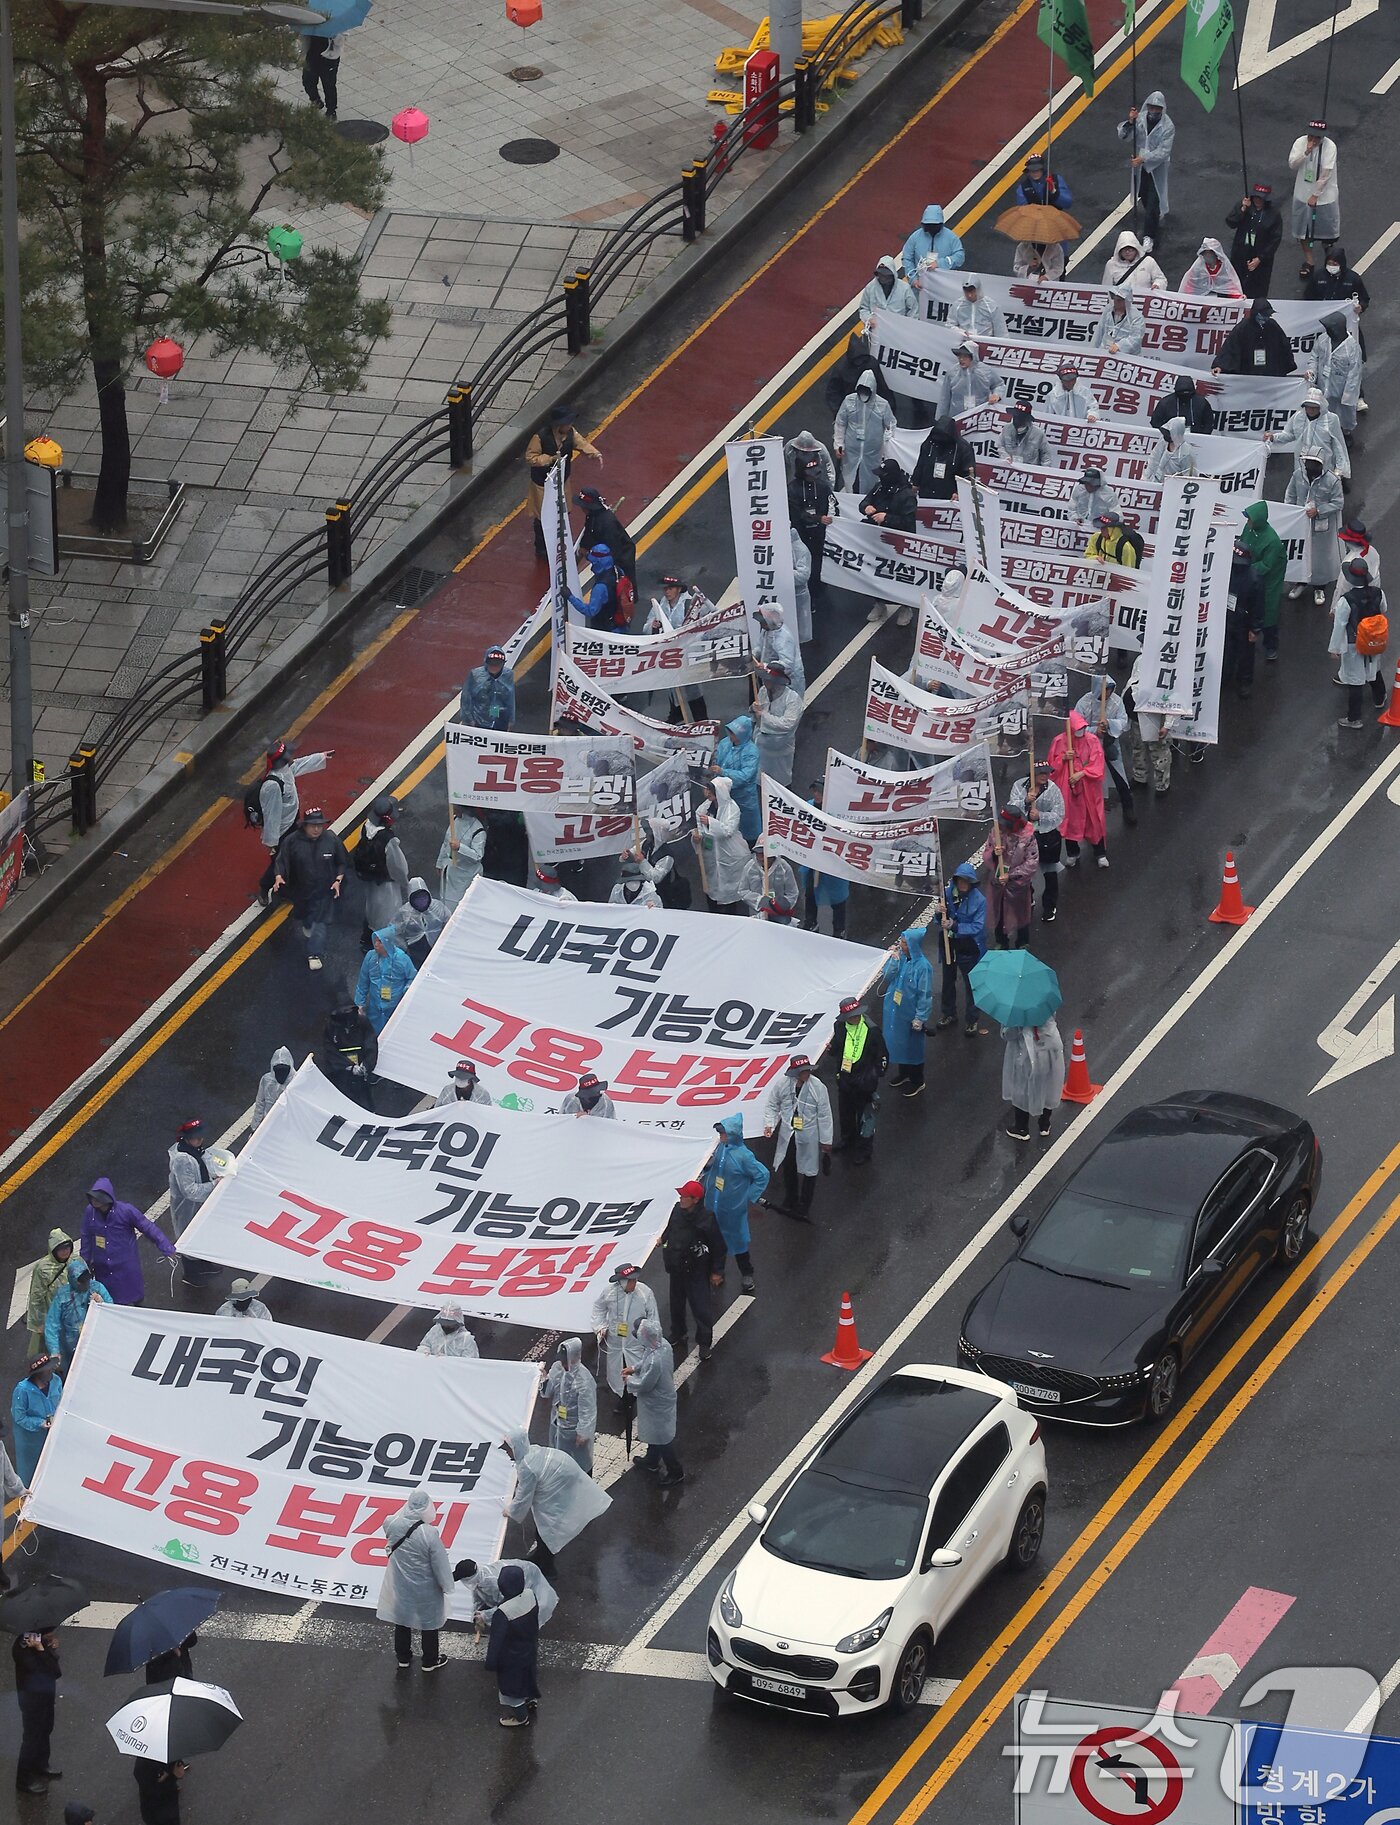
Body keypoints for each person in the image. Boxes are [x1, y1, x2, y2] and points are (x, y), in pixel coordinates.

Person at [501, 1427, 612, 1575]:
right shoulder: (532, 1451)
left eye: (508, 1449)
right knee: (543, 1530)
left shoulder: (527, 1467)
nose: (506, 1452)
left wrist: (511, 1511)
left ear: (516, 1448)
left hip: (558, 1488)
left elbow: (523, 1496)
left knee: (547, 1530)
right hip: (565, 1479)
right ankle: (540, 1558)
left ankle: (548, 1569)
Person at [377, 1488, 454, 1671]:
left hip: (400, 1581)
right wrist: (446, 1584)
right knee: (429, 1623)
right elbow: (440, 1563)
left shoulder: (391, 1522)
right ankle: (429, 1661)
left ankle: (403, 1657)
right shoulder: (429, 1533)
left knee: (402, 1620)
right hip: (425, 1586)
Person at [255, 738, 332, 906]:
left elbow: (298, 765)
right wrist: (272, 843)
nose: (292, 756)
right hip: (282, 830)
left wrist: (320, 757)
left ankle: (283, 889)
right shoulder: (272, 786)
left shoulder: (285, 770)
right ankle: (265, 885)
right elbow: (272, 816)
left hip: (292, 822)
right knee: (280, 861)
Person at [272, 804, 347, 971]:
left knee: (320, 923)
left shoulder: (331, 839)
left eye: (320, 825)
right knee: (305, 917)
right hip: (301, 891)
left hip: (323, 893)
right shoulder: (291, 841)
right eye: (313, 825)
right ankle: (307, 923)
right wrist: (279, 877)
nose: (316, 829)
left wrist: (338, 880)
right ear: (304, 825)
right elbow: (281, 861)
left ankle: (314, 953)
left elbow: (342, 862)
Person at [79, 1177, 175, 1307]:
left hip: (126, 1267)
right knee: (108, 1301)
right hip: (103, 1268)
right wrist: (84, 1264)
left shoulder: (126, 1211)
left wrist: (166, 1247)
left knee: (135, 1298)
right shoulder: (90, 1212)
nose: (94, 1200)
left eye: (98, 1197)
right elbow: (86, 1237)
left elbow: (147, 1227)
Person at [702, 1115, 768, 1293]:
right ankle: (717, 1271)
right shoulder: (720, 1149)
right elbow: (712, 1167)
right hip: (713, 1206)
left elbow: (762, 1175)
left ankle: (747, 1273)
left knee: (738, 1242)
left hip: (733, 1210)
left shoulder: (744, 1156)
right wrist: (707, 1165)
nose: (720, 1135)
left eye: (723, 1132)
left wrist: (750, 1196)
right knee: (714, 1241)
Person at [525, 402, 601, 558]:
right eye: (567, 423)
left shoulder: (571, 433)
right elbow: (531, 458)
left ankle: (557, 540)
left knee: (563, 510)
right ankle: (541, 547)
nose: (570, 425)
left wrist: (594, 453)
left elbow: (581, 443)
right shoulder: (540, 437)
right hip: (543, 483)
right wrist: (549, 459)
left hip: (562, 479)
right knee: (542, 515)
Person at [762, 1055, 833, 1219]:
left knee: (810, 1170)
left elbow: (824, 1115)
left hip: (809, 1134)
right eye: (802, 1071)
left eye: (807, 1070)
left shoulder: (818, 1087)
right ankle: (791, 1197)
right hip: (789, 1132)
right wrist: (769, 1124)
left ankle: (805, 1204)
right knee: (789, 1166)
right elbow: (772, 1104)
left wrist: (826, 1141)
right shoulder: (783, 1084)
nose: (806, 1074)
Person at [661, 1180, 722, 1360]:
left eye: (684, 1196)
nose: (680, 1198)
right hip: (676, 1268)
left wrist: (717, 1271)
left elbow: (718, 1245)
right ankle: (678, 1332)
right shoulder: (676, 1211)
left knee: (701, 1308)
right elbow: (669, 1229)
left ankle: (704, 1343)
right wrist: (662, 1239)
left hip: (696, 1271)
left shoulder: (707, 1218)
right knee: (676, 1304)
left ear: (695, 1200)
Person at [1332, 557, 1389, 728]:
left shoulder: (1346, 600)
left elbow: (1339, 625)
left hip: (1354, 643)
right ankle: (1380, 699)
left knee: (1355, 680)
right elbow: (1383, 609)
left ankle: (1354, 718)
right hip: (1374, 639)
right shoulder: (1378, 593)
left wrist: (1334, 648)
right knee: (1373, 669)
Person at [624, 1319, 682, 1486]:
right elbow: (646, 1359)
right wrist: (635, 1368)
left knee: (663, 1438)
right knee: (655, 1433)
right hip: (659, 1401)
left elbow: (645, 1383)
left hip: (657, 1403)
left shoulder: (655, 1360)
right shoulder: (662, 1345)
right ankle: (651, 1460)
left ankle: (675, 1472)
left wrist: (628, 1380)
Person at [829, 995, 887, 1162]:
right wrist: (832, 1051)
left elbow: (882, 1055)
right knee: (846, 1113)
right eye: (851, 1016)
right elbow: (837, 1047)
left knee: (866, 1117)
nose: (855, 1018)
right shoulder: (840, 1027)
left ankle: (864, 1150)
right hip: (845, 1078)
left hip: (864, 1081)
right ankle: (848, 1139)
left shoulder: (872, 1030)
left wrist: (875, 1076)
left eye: (857, 1014)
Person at [591, 1264, 659, 1400]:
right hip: (615, 1344)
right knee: (617, 1371)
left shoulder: (645, 1293)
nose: (633, 1283)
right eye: (630, 1280)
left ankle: (637, 1396)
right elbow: (598, 1308)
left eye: (634, 1280)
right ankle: (622, 1396)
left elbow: (653, 1317)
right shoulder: (609, 1292)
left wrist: (652, 1338)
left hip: (636, 1343)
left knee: (638, 1370)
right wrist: (600, 1327)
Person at [1074, 675, 1136, 825]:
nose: (1107, 693)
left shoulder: (1116, 702)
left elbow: (1123, 721)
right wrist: (1094, 730)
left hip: (1109, 743)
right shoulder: (1085, 702)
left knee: (1119, 777)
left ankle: (1128, 808)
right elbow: (1076, 726)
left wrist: (1109, 723)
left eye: (1109, 689)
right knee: (1088, 781)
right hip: (1089, 748)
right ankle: (1089, 814)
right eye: (1104, 689)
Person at [1049, 708, 1108, 868]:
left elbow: (1098, 763)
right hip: (1068, 790)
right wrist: (1063, 758)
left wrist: (1081, 774)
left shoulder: (1092, 740)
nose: (1081, 731)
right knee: (1070, 822)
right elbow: (1051, 769)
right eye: (1078, 728)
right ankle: (1072, 853)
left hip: (1089, 789)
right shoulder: (1060, 742)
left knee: (1094, 819)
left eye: (1083, 727)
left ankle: (1100, 853)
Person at [1284, 452, 1344, 608]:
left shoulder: (1332, 481)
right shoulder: (1298, 475)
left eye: (1313, 463)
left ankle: (1319, 588)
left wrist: (1319, 510)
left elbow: (1338, 503)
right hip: (1300, 524)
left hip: (1320, 527)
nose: (1309, 466)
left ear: (1321, 465)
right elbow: (1290, 494)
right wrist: (1290, 512)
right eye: (1307, 463)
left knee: (1319, 558)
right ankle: (1300, 582)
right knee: (1300, 554)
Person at [1008, 765, 1066, 923]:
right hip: (1024, 838)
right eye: (1041, 772)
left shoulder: (1053, 789)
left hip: (1047, 837)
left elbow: (1059, 814)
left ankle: (1049, 906)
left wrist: (1041, 815)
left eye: (1047, 772)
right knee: (1024, 873)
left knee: (1050, 872)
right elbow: (1010, 809)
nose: (1045, 775)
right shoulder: (1019, 786)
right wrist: (1026, 801)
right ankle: (1028, 898)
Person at [485, 1564, 541, 1726]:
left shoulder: (503, 1613)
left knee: (511, 1689)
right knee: (528, 1676)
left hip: (510, 1656)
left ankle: (521, 1717)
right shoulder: (531, 1595)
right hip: (529, 1648)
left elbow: (496, 1641)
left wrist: (491, 1663)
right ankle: (531, 1698)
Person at [878, 925, 933, 1089]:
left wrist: (920, 1017)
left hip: (910, 1014)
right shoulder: (900, 959)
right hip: (895, 1011)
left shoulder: (923, 967)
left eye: (904, 943)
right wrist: (892, 960)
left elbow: (925, 994)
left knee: (913, 1046)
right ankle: (904, 1073)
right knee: (899, 1043)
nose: (901, 946)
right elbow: (887, 976)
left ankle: (917, 1080)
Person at [1117, 91, 1174, 246]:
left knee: (1153, 201)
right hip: (1140, 168)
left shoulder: (1168, 126)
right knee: (1143, 193)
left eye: (1157, 108)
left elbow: (1163, 151)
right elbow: (1124, 136)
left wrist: (1144, 158)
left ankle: (1149, 235)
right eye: (1152, 107)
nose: (1154, 111)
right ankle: (1154, 215)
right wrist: (1130, 122)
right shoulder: (1140, 119)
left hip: (1157, 168)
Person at [936, 868, 988, 1036]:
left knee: (971, 984)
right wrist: (938, 914)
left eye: (967, 881)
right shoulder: (946, 894)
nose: (963, 884)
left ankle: (972, 1020)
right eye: (960, 880)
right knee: (948, 980)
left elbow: (977, 926)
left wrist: (956, 926)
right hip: (948, 943)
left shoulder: (980, 901)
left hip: (968, 946)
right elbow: (940, 920)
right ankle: (948, 1013)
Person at [354, 794, 409, 948]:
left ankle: (367, 936)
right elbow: (398, 866)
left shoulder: (366, 827)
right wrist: (404, 882)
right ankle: (384, 942)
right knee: (389, 912)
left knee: (371, 906)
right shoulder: (388, 840)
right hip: (386, 882)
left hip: (370, 877)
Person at [982, 805, 1039, 949]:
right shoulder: (996, 832)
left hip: (1018, 885)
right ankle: (1001, 941)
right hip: (998, 883)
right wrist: (994, 854)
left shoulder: (1027, 837)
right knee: (998, 913)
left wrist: (1011, 875)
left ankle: (1022, 941)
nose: (1002, 827)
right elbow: (987, 851)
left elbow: (1032, 863)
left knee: (1021, 913)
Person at [1289, 119, 1339, 280]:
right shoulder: (1300, 142)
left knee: (1327, 234)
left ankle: (1330, 260)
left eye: (1318, 138)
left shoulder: (1329, 147)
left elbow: (1326, 173)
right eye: (1312, 136)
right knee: (1304, 232)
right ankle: (1309, 261)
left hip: (1324, 197)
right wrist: (1306, 152)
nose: (1314, 140)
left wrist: (1315, 195)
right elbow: (1292, 164)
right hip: (1302, 194)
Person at [692, 777, 750, 914]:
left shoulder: (732, 808)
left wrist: (710, 822)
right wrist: (697, 837)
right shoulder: (704, 807)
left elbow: (728, 831)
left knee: (731, 886)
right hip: (711, 852)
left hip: (730, 853)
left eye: (711, 790)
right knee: (712, 884)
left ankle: (732, 913)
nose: (707, 792)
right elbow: (700, 826)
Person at [13, 1627, 61, 1794]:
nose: (50, 1634)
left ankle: (41, 1764)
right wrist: (43, 1650)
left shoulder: (40, 1642)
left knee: (46, 1729)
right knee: (31, 1739)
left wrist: (50, 1649)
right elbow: (53, 1671)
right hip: (32, 1702)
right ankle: (23, 1780)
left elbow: (52, 1665)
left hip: (45, 1697)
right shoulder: (23, 1648)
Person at [1240, 500, 1288, 662]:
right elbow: (1242, 545)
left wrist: (1245, 570)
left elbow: (1266, 565)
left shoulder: (1272, 541)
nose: (1247, 522)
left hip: (1269, 580)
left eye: (1250, 519)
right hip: (1252, 574)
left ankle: (1271, 645)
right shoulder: (1249, 528)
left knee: (1268, 612)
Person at [833, 368, 895, 496]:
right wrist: (839, 444)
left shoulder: (882, 405)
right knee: (851, 479)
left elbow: (891, 425)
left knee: (871, 481)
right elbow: (840, 423)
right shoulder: (849, 401)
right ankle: (850, 500)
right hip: (851, 452)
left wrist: (886, 447)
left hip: (873, 454)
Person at [800, 781, 850, 936]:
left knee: (837, 896)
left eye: (819, 791)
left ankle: (839, 928)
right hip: (813, 859)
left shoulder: (837, 812)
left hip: (832, 861)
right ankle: (811, 921)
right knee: (810, 892)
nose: (816, 795)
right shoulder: (808, 807)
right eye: (814, 791)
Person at [1003, 1018, 1066, 1141]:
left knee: (1022, 1088)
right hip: (1050, 1048)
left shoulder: (1015, 1012)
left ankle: (1021, 1128)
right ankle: (1044, 1124)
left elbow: (1008, 1034)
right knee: (1048, 1085)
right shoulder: (1045, 1003)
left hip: (1026, 1054)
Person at [1266, 387, 1349, 480]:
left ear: (1321, 406)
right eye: (1308, 406)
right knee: (1303, 487)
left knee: (1325, 489)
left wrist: (1340, 469)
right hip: (1302, 463)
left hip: (1323, 463)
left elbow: (1338, 444)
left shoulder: (1332, 419)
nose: (1311, 410)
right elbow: (1290, 434)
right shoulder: (1298, 417)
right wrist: (1274, 437)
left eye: (1314, 407)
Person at [44, 1256, 111, 1373]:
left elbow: (113, 1310)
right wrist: (54, 1351)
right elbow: (52, 1324)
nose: (86, 1283)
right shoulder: (62, 1296)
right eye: (81, 1281)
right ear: (73, 1280)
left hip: (96, 1339)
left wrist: (103, 1303)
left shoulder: (97, 1288)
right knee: (72, 1372)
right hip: (70, 1345)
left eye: (87, 1279)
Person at [539, 1337, 595, 1472]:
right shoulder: (558, 1369)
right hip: (557, 1424)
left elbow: (588, 1410)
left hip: (573, 1430)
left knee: (581, 1462)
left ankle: (585, 1485)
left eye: (565, 1359)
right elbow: (547, 1393)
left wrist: (583, 1433)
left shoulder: (583, 1380)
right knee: (559, 1459)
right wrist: (544, 1379)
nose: (562, 1362)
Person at [456, 1557, 558, 1631]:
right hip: (520, 1572)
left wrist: (484, 1616)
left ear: (469, 1578)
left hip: (528, 1576)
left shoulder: (493, 1583)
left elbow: (508, 1604)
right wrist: (476, 1612)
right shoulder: (479, 1579)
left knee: (526, 1608)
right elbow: (477, 1595)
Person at [1124, 653, 1173, 797]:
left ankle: (1162, 784)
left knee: (1159, 753)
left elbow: (1172, 698)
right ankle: (1140, 777)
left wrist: (1167, 724)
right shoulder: (1140, 659)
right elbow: (1132, 681)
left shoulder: (1168, 667)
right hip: (1136, 714)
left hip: (1155, 717)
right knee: (1137, 748)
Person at [788, 446, 834, 597]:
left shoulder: (822, 487)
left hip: (819, 535)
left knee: (819, 566)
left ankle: (818, 592)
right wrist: (818, 518)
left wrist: (829, 517)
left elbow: (832, 505)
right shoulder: (792, 490)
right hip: (801, 535)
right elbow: (796, 514)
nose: (813, 476)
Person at [1222, 540, 1265, 702]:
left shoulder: (1255, 578)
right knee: (1227, 651)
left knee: (1245, 655)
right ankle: (1225, 677)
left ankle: (1244, 682)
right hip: (1227, 619)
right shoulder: (1225, 571)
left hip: (1244, 622)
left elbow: (1259, 605)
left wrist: (1255, 629)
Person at [1212, 297, 1296, 377]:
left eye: (1268, 315)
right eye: (1263, 315)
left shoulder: (1273, 326)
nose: (1265, 318)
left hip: (1269, 371)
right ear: (1255, 313)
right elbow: (1230, 347)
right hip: (1247, 371)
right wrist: (1220, 366)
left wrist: (1286, 364)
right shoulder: (1242, 328)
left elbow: (1284, 346)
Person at [355, 925, 417, 1034]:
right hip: (374, 1008)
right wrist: (360, 1004)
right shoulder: (370, 957)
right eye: (375, 941)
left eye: (380, 942)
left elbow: (412, 978)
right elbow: (363, 981)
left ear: (387, 943)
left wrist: (406, 992)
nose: (376, 944)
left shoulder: (402, 959)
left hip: (394, 1008)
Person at [10, 1356, 60, 1487]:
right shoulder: (22, 1390)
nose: (51, 1371)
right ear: (38, 1374)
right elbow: (19, 1417)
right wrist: (40, 1423)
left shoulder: (56, 1381)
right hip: (30, 1438)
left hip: (52, 1430)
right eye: (47, 1370)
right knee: (30, 1467)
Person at [1226, 184, 1284, 297]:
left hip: (1260, 259)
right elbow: (1231, 222)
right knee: (1236, 285)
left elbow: (1275, 239)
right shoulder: (1244, 206)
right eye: (1256, 197)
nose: (1258, 200)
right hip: (1240, 254)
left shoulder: (1274, 214)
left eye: (1261, 198)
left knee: (1258, 288)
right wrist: (1242, 209)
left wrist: (1260, 258)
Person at [753, 664, 804, 789]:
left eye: (768, 679)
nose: (764, 682)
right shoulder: (763, 691)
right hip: (762, 748)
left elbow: (787, 724)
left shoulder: (792, 699)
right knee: (762, 783)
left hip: (781, 751)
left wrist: (763, 715)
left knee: (781, 786)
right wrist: (754, 710)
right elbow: (757, 716)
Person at [713, 714, 761, 843]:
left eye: (733, 733)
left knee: (747, 831)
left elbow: (745, 776)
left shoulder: (751, 752)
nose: (730, 736)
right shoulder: (725, 743)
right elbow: (717, 758)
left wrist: (722, 771)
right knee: (726, 827)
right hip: (725, 794)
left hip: (744, 798)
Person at [320, 1003, 378, 1111]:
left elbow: (371, 1045)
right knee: (343, 1101)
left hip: (361, 1070)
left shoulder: (362, 1022)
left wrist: (366, 1065)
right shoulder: (331, 1026)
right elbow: (329, 1050)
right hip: (341, 1073)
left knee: (363, 1101)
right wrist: (348, 1066)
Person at [25, 1232, 73, 1361]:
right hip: (54, 1315)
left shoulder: (76, 1261)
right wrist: (39, 1322)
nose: (65, 1252)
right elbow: (36, 1296)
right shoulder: (42, 1268)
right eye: (61, 1249)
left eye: (67, 1248)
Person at [574, 486, 635, 584]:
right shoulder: (592, 516)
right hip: (609, 560)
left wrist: (588, 555)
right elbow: (589, 533)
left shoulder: (607, 524)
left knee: (621, 591)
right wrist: (583, 546)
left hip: (619, 563)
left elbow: (611, 555)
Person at [1318, 310, 1362, 438]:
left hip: (1342, 387)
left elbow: (1355, 373)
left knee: (1346, 412)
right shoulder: (1323, 340)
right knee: (1327, 410)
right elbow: (1315, 356)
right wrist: (1311, 371)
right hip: (1325, 385)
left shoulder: (1352, 347)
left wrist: (1349, 392)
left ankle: (1347, 432)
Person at [900, 203, 965, 288]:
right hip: (921, 287)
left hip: (944, 287)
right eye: (928, 225)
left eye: (934, 225)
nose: (931, 228)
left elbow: (960, 256)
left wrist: (940, 263)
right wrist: (914, 280)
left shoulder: (951, 237)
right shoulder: (915, 237)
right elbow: (907, 258)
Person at [911, 414, 975, 498]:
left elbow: (968, 475)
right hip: (927, 490)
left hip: (950, 494)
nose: (940, 439)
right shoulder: (930, 442)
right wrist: (915, 483)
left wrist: (959, 492)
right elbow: (920, 465)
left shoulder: (963, 448)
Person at [393, 875, 450, 965]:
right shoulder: (405, 912)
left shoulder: (437, 906)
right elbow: (395, 931)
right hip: (415, 949)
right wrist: (403, 949)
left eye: (423, 898)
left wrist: (445, 940)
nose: (421, 902)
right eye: (417, 898)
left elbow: (449, 922)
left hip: (437, 946)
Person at [936, 340, 1003, 418]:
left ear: (973, 356)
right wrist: (940, 418)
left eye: (965, 356)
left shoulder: (986, 371)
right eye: (960, 356)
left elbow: (999, 384)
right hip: (957, 416)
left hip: (979, 415)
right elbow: (944, 397)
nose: (961, 359)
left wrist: (996, 395)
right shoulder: (952, 372)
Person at [438, 804, 486, 911]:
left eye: (455, 807)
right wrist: (440, 862)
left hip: (465, 875)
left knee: (461, 906)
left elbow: (478, 855)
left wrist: (460, 847)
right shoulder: (454, 819)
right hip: (449, 870)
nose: (453, 809)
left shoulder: (478, 830)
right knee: (445, 901)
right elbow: (446, 842)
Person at [460, 645, 516, 732]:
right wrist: (469, 720)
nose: (494, 667)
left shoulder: (508, 675)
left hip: (499, 717)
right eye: (492, 664)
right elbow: (466, 698)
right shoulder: (475, 675)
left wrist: (511, 720)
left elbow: (510, 698)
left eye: (497, 664)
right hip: (478, 719)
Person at [859, 252, 918, 325]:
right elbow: (863, 308)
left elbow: (914, 310)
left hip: (898, 330)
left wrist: (907, 327)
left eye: (886, 275)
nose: (883, 278)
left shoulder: (904, 288)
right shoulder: (870, 287)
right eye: (881, 274)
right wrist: (869, 319)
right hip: (877, 331)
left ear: (892, 275)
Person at [1102, 230, 1167, 291]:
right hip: (1122, 302)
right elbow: (1106, 287)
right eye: (1124, 249)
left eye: (1130, 249)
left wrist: (1157, 285)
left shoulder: (1148, 261)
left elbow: (1160, 279)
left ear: (1136, 249)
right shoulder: (1111, 264)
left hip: (1144, 300)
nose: (1127, 252)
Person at [1150, 374, 1215, 435]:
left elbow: (1209, 423)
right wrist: (1167, 435)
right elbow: (1155, 422)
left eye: (1187, 393)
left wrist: (1202, 437)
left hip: (1196, 440)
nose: (1185, 396)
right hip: (1171, 440)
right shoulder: (1165, 403)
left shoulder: (1202, 402)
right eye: (1182, 394)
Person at [1090, 285, 1145, 356]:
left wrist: (1119, 346)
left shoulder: (1136, 316)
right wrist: (1093, 350)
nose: (1116, 302)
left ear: (1126, 300)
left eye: (1119, 300)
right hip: (1104, 350)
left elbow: (1136, 338)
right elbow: (1100, 330)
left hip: (1126, 355)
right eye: (1114, 299)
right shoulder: (1108, 310)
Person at [134, 1760, 186, 1825]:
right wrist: (173, 1775)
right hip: (160, 1810)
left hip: (156, 1807)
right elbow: (153, 1791)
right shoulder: (143, 1766)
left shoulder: (143, 1762)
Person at [999, 403, 1051, 467]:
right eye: (1015, 416)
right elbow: (1000, 446)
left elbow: (1046, 456)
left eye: (1020, 417)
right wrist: (1006, 458)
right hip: (1008, 468)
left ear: (1027, 419)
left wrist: (1043, 472)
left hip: (1030, 471)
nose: (1016, 419)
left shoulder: (1039, 434)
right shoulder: (1006, 429)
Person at [300, 31, 339, 116]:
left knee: (329, 85)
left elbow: (340, 41)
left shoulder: (335, 26)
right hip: (312, 55)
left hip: (329, 58)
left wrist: (334, 37)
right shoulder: (312, 24)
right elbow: (305, 38)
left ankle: (331, 110)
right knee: (307, 80)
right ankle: (315, 100)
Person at [253, 1046, 294, 1126]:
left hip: (288, 1123)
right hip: (270, 1123)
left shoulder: (295, 1081)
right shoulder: (267, 1080)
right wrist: (255, 1127)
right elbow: (260, 1103)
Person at [1148, 417, 1197, 483]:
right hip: (1156, 480)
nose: (1166, 436)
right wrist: (1146, 477)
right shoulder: (1163, 442)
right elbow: (1153, 459)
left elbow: (1190, 478)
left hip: (1173, 486)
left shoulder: (1187, 453)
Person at [790, 528, 814, 644]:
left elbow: (803, 576)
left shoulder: (799, 550)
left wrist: (781, 572)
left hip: (797, 596)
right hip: (784, 594)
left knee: (797, 635)